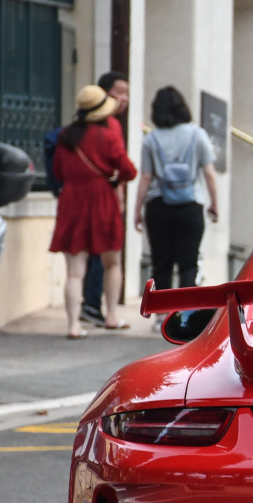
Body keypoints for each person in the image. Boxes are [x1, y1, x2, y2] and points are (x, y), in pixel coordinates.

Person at [50, 84, 137, 339]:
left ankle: (73, 325)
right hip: (102, 199)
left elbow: (58, 172)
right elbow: (129, 171)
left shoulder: (66, 137)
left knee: (74, 271)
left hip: (72, 200)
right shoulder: (109, 136)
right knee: (112, 262)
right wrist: (112, 177)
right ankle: (110, 315)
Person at [133, 86, 220, 294]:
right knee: (188, 263)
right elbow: (209, 173)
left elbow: (145, 176)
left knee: (161, 262)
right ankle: (184, 315)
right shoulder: (197, 135)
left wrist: (137, 210)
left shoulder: (151, 139)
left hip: (158, 205)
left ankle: (160, 316)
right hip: (190, 205)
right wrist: (214, 203)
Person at [80, 71, 131, 328]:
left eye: (127, 93)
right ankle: (97, 306)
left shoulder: (80, 125)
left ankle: (89, 304)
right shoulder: (110, 126)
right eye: (119, 91)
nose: (124, 98)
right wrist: (119, 193)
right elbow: (122, 166)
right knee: (107, 253)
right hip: (103, 199)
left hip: (79, 197)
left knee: (82, 253)